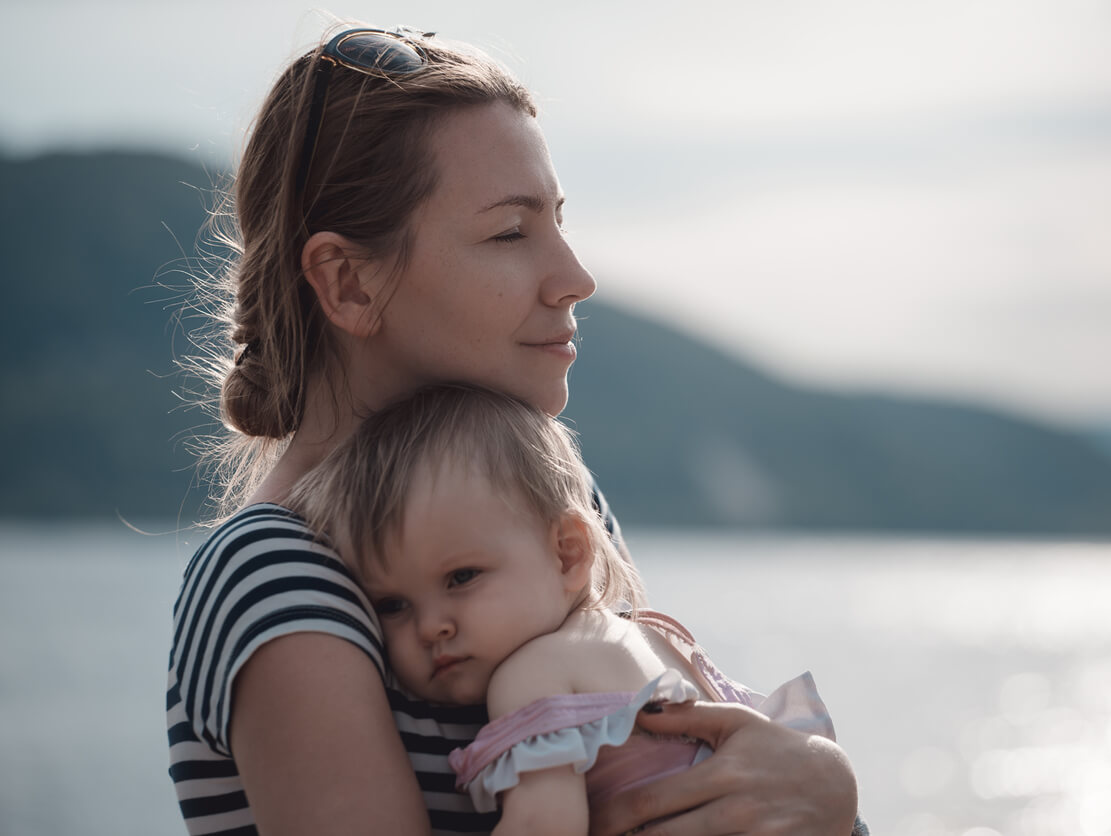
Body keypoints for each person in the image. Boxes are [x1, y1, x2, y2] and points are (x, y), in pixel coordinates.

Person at [167, 20, 860, 836]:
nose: (574, 277)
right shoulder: (277, 574)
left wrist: (827, 799)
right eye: (509, 232)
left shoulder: (540, 505)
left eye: (558, 222)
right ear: (348, 282)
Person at [286, 382, 860, 836]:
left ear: (568, 556)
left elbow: (545, 824)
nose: (431, 625)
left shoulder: (531, 674)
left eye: (462, 577)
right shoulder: (657, 635)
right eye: (392, 605)